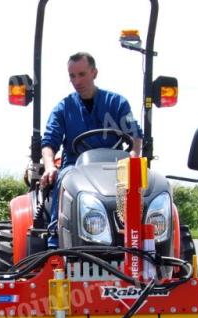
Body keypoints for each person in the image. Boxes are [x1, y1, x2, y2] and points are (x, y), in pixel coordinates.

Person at [39, 52, 143, 248]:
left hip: (114, 167)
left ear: (94, 73)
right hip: (76, 167)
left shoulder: (117, 103)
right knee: (63, 178)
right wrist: (50, 166)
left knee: (139, 181)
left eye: (81, 74)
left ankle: (141, 238)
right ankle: (56, 240)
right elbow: (49, 142)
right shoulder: (64, 107)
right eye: (72, 76)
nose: (76, 80)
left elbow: (135, 134)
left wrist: (135, 156)